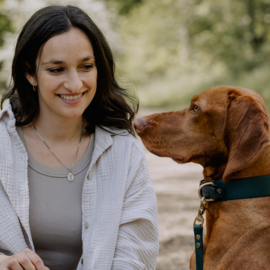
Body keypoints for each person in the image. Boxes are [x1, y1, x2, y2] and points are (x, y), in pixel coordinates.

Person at [0, 5, 159, 270]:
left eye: (86, 66)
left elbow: (135, 257)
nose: (75, 84)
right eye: (56, 70)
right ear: (30, 73)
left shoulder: (124, 151)